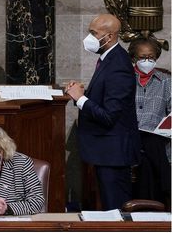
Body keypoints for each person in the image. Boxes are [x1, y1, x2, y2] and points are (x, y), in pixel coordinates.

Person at [65, 14, 141, 211]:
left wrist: (80, 98)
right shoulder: (108, 58)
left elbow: (109, 116)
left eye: (93, 33)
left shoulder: (119, 66)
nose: (89, 38)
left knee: (115, 210)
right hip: (106, 151)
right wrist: (83, 94)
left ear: (109, 37)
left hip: (113, 153)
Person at [128, 37, 171, 205]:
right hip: (130, 137)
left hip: (157, 137)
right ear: (133, 58)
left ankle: (141, 211)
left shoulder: (166, 81)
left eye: (151, 57)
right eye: (142, 57)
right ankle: (167, 187)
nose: (147, 61)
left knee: (146, 158)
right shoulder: (125, 79)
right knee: (147, 145)